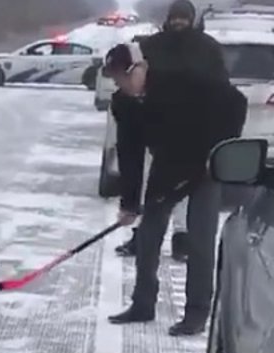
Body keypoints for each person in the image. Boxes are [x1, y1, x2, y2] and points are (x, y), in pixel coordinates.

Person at [102, 37, 246, 336]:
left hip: (205, 164)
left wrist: (220, 149)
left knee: (200, 240)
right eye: (117, 79)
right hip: (168, 165)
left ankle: (196, 313)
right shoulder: (124, 103)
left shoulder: (181, 82)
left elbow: (236, 103)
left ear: (141, 67)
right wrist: (129, 204)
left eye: (126, 75)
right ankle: (142, 304)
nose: (123, 84)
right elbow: (130, 154)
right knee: (148, 233)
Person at [115, 0, 226, 260]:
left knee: (181, 191)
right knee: (157, 191)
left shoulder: (206, 50)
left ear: (192, 20)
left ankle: (178, 239)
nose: (178, 23)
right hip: (161, 133)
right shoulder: (154, 48)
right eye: (175, 18)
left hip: (194, 135)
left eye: (183, 18)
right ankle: (147, 237)